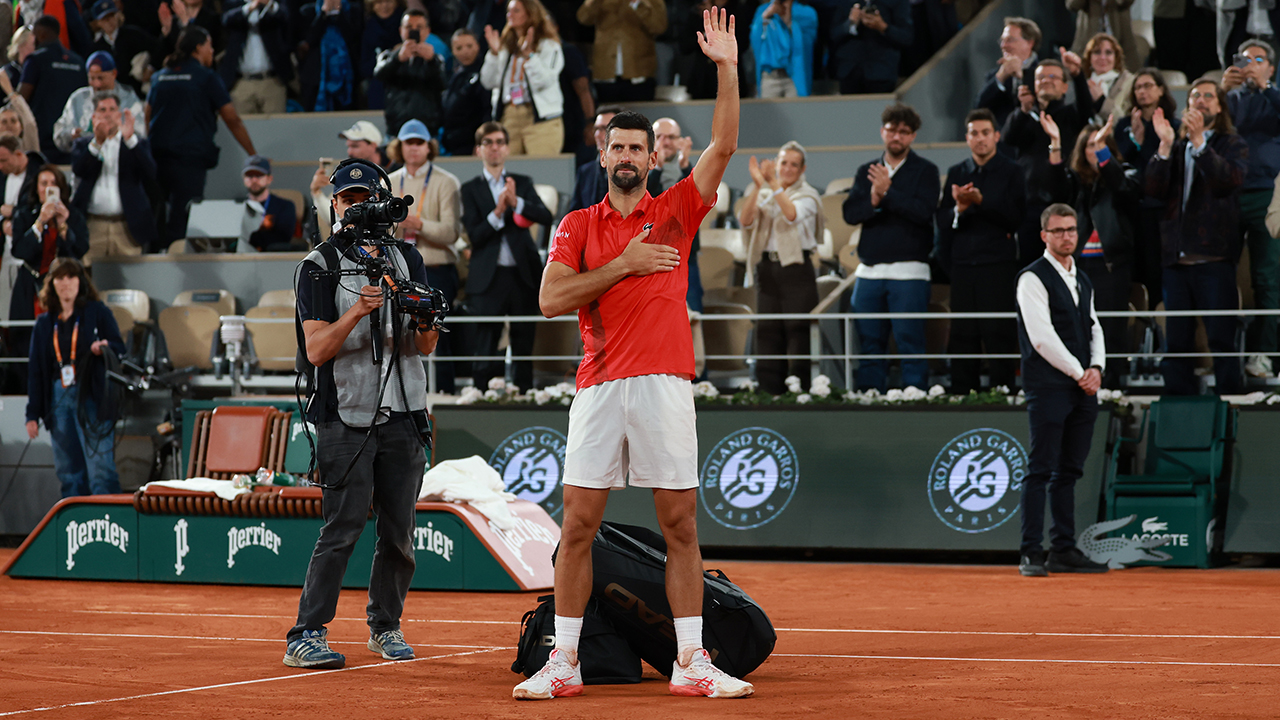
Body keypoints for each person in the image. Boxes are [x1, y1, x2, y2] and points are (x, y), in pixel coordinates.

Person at [512, 9, 753, 700]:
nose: (624, 158)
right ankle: (564, 661)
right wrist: (624, 264)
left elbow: (726, 145)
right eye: (614, 148)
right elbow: (551, 300)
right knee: (578, 525)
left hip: (665, 384)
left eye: (635, 149)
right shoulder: (578, 224)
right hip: (597, 384)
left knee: (679, 524)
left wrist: (728, 68)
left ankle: (690, 662)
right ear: (602, 154)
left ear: (653, 158)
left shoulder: (677, 207)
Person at [284, 161, 440, 670]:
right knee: (343, 526)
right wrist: (355, 312)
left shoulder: (408, 257)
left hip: (404, 410)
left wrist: (424, 314)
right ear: (333, 205)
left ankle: (386, 626)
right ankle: (305, 633)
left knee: (399, 530)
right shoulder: (318, 264)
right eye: (347, 199)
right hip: (344, 415)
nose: (355, 207)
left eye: (363, 198)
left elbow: (426, 346)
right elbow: (315, 351)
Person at [1014, 203, 1109, 577]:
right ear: (1044, 236)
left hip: (1082, 387)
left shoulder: (1082, 278)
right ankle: (1031, 552)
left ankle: (1064, 550)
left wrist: (1097, 368)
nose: (1067, 236)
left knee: (1069, 471)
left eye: (1071, 230)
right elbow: (1041, 338)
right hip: (1049, 386)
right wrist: (1080, 373)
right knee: (1040, 469)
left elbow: (1095, 326)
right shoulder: (1031, 278)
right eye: (1058, 231)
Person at [1145, 78, 1248, 395]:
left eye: (1208, 96)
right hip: (1175, 261)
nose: (1201, 100)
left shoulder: (1232, 144)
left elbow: (1226, 181)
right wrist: (1163, 147)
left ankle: (1231, 400)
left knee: (1221, 337)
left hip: (1214, 258)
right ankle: (1178, 402)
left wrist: (1201, 143)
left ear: (1220, 106)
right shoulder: (1176, 147)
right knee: (1176, 341)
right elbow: (1152, 192)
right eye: (1195, 96)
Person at [844, 102, 940, 392]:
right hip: (870, 271)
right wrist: (873, 200)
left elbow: (923, 212)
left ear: (912, 136)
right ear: (882, 132)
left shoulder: (926, 171)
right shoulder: (867, 170)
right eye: (891, 130)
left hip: (909, 271)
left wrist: (888, 193)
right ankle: (869, 395)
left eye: (904, 132)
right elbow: (850, 213)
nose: (896, 136)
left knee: (910, 341)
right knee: (869, 342)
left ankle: (915, 394)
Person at [1044, 116, 1140, 388]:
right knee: (1076, 327)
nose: (1093, 150)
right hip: (1077, 267)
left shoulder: (1125, 173)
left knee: (1109, 328)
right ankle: (1078, 380)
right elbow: (1054, 192)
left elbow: (1124, 190)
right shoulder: (1074, 182)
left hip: (1112, 266)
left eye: (1099, 145)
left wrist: (1103, 155)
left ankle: (1110, 386)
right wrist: (1054, 143)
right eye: (1088, 145)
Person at [936, 109, 1025, 395]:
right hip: (963, 267)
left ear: (996, 136)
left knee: (998, 334)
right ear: (967, 138)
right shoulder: (957, 171)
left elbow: (1016, 217)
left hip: (998, 266)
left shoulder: (1012, 171)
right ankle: (963, 397)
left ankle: (1003, 396)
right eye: (974, 133)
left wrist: (981, 201)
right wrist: (959, 210)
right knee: (963, 336)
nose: (980, 139)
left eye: (986, 133)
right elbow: (942, 219)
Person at [460, 120, 552, 391]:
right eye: (488, 143)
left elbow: (545, 215)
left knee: (524, 338)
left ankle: (524, 394)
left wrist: (517, 203)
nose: (495, 148)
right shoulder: (470, 189)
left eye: (500, 142)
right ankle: (479, 395)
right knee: (485, 340)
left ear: (507, 148)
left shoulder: (521, 183)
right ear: (479, 150)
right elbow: (474, 235)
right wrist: (498, 212)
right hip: (488, 276)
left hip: (522, 274)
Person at [146, 25, 257, 250]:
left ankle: (155, 259)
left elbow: (147, 117)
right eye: (209, 46)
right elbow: (232, 118)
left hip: (156, 160)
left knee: (156, 215)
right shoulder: (206, 78)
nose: (212, 51)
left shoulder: (160, 77)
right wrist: (253, 154)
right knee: (182, 218)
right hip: (189, 161)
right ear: (198, 48)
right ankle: (174, 266)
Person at [24, 258, 125, 498]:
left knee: (101, 470)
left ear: (81, 282)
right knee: (69, 471)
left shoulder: (97, 312)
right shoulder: (44, 323)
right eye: (60, 278)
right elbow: (36, 371)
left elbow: (120, 348)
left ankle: (110, 524)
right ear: (53, 284)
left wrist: (105, 346)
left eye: (71, 277)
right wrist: (32, 414)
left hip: (92, 393)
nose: (66, 283)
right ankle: (76, 527)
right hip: (58, 396)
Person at [738, 140, 822, 394]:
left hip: (797, 269)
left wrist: (772, 183)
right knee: (767, 330)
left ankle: (800, 392)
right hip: (767, 268)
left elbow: (791, 214)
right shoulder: (763, 192)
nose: (787, 168)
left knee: (797, 332)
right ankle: (768, 391)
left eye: (793, 165)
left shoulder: (808, 194)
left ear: (802, 169)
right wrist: (757, 186)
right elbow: (745, 219)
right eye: (783, 162)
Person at [387, 119, 460, 393]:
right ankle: (399, 391)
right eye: (409, 143)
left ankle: (444, 394)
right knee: (395, 332)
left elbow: (451, 232)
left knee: (438, 335)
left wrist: (419, 225)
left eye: (419, 143)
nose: (414, 148)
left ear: (429, 147)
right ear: (400, 147)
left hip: (436, 267)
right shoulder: (389, 181)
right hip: (397, 270)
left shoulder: (446, 182)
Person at [1222, 39, 1280, 378]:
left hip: (1266, 194)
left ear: (1270, 67)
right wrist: (1219, 90)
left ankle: (1265, 353)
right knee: (1220, 278)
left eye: (1259, 59)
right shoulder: (1227, 98)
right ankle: (1226, 355)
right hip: (1225, 194)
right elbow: (1202, 122)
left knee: (1266, 278)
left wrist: (1267, 88)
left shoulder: (1274, 98)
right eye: (1246, 59)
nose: (1252, 64)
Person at [1001, 54, 1094, 263]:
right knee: (1029, 267)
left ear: (1064, 87)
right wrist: (1022, 110)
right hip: (1029, 206)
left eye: (1053, 77)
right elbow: (1007, 138)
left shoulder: (1072, 116)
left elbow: (1087, 108)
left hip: (1064, 203)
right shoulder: (1025, 117)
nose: (1046, 81)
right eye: (1041, 77)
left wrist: (1077, 74)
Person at [10, 165, 88, 368]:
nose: (48, 188)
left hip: (63, 286)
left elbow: (80, 249)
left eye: (53, 184)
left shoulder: (74, 215)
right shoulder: (25, 214)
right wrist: (40, 223)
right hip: (30, 286)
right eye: (44, 184)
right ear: (36, 188)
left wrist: (63, 225)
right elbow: (19, 250)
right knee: (26, 339)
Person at [1114, 67, 1178, 306]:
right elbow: (1117, 163)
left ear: (1161, 90)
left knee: (1157, 269)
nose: (1142, 91)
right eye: (1138, 87)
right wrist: (1135, 142)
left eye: (1148, 85)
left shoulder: (1173, 125)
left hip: (1162, 209)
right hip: (1132, 208)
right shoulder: (1124, 125)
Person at [70, 92, 156, 263]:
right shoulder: (83, 144)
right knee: (91, 280)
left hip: (127, 227)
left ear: (119, 114)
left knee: (129, 283)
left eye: (112, 109)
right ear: (94, 116)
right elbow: (79, 170)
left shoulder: (135, 143)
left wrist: (130, 140)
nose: (108, 114)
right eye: (102, 110)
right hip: (93, 226)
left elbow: (150, 173)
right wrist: (98, 143)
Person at [479, 0, 565, 156]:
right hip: (509, 116)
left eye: (516, 10)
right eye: (508, 11)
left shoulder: (549, 46)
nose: (509, 15)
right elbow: (488, 81)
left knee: (541, 171)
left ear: (530, 14)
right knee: (510, 173)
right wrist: (493, 53)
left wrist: (530, 57)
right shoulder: (506, 46)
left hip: (540, 120)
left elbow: (543, 81)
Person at [19, 15, 86, 164]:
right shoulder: (79, 62)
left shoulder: (35, 60)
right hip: (71, 141)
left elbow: (21, 99)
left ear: (41, 34)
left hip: (43, 142)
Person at [653, 116, 703, 311]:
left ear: (680, 140)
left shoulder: (689, 169)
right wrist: (657, 167)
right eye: (660, 136)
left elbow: (694, 199)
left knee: (692, 313)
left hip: (686, 255)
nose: (665, 142)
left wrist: (685, 165)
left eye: (671, 137)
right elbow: (646, 199)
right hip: (652, 255)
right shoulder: (641, 168)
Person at [53, 50, 146, 155]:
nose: (97, 84)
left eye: (101, 78)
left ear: (114, 74)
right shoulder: (78, 99)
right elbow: (59, 134)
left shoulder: (130, 100)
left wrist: (120, 135)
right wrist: (71, 135)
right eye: (92, 78)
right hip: (86, 162)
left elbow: (141, 138)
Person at [576, 0, 666, 103]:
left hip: (639, 73)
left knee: (639, 116)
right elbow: (583, 18)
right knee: (608, 115)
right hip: (606, 73)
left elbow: (659, 27)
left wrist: (638, 4)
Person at [375, 8, 446, 136]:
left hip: (428, 129)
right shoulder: (389, 56)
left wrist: (431, 61)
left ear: (427, 31)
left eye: (419, 27)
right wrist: (397, 59)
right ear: (401, 30)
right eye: (409, 27)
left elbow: (443, 83)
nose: (414, 31)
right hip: (396, 128)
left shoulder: (435, 59)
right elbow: (379, 74)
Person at [219, 0, 294, 115]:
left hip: (272, 82)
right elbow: (227, 19)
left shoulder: (275, 3)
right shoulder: (233, 3)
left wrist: (268, 4)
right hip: (241, 84)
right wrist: (250, 7)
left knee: (276, 129)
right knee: (243, 129)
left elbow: (284, 15)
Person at [830, 0, 912, 95]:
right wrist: (850, 23)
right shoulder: (846, 2)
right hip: (849, 71)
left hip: (881, 72)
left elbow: (906, 37)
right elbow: (833, 34)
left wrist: (883, 27)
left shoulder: (897, 2)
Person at [974, 16, 1040, 129]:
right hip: (1004, 143)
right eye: (1002, 40)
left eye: (1010, 40)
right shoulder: (995, 76)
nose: (1003, 46)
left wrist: (1021, 78)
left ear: (1030, 43)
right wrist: (1000, 78)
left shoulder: (1045, 72)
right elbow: (980, 111)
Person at [297, 0, 362, 112]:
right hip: (316, 80)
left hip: (347, 79)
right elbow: (309, 41)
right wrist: (323, 14)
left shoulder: (354, 10)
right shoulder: (307, 11)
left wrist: (339, 14)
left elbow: (355, 40)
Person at [85, 0, 156, 97]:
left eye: (112, 16)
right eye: (105, 19)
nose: (110, 21)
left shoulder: (134, 34)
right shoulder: (96, 48)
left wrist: (151, 67)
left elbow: (157, 49)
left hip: (138, 93)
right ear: (97, 23)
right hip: (112, 97)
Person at [440, 28, 492, 156]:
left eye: (469, 46)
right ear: (452, 51)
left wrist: (481, 142)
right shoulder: (454, 76)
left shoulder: (486, 74)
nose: (465, 51)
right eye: (459, 48)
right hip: (453, 144)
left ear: (478, 46)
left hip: (472, 145)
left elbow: (487, 111)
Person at [750, 0, 817, 98]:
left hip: (794, 76)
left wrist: (789, 23)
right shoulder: (762, 11)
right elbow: (755, 43)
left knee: (797, 111)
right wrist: (764, 17)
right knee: (767, 112)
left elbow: (807, 46)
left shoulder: (807, 13)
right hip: (769, 76)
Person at [568, 105, 621, 212]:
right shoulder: (586, 171)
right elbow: (575, 211)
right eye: (596, 129)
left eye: (605, 129)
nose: (597, 134)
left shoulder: (632, 169)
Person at [239, 155, 298, 252]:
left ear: (269, 179)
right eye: (249, 176)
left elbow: (283, 237)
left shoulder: (285, 206)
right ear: (244, 179)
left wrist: (253, 238)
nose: (254, 180)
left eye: (259, 175)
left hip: (273, 259)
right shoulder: (237, 207)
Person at [1068, 0, 1142, 72]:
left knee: (1130, 74)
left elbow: (1127, 2)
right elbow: (1072, 5)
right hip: (1087, 40)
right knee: (1080, 73)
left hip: (1121, 37)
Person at [1080, 32, 1132, 123]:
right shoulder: (1082, 83)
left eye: (1108, 53)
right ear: (1089, 57)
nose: (1103, 57)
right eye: (1097, 52)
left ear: (1116, 57)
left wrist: (1101, 101)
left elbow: (1124, 120)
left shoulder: (1129, 82)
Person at [361, 0, 403, 110]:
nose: (384, 6)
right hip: (377, 80)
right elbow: (365, 67)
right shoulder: (368, 29)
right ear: (372, 6)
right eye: (379, 2)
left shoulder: (407, 25)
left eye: (389, 1)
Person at [4, 26, 36, 90]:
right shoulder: (7, 73)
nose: (36, 49)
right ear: (21, 45)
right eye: (33, 44)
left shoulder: (37, 70)